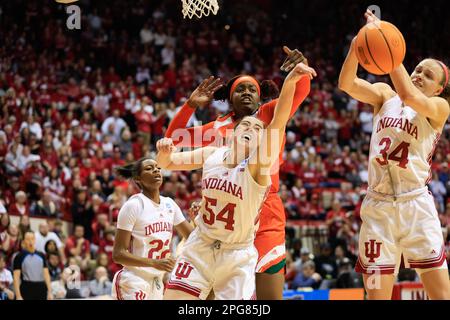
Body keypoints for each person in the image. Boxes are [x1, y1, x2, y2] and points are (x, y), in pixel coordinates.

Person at [157, 61, 317, 300]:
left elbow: (300, 90)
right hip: (226, 207)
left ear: (261, 97)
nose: (246, 93)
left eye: (252, 89)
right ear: (230, 99)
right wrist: (190, 105)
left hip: (264, 210)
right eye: (240, 89)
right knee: (207, 291)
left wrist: (299, 69)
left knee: (268, 296)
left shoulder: (270, 114)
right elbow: (172, 141)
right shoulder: (217, 128)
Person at [338, 10, 450, 300]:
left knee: (440, 295)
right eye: (418, 69)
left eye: (428, 75)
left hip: (415, 206)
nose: (418, 75)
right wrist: (358, 44)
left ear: (439, 89)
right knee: (377, 297)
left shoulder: (438, 108)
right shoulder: (385, 95)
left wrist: (387, 46)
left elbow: (412, 96)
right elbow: (347, 84)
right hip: (378, 208)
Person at [111, 157, 193, 300]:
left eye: (158, 168)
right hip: (134, 280)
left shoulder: (170, 204)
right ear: (138, 179)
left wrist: (196, 220)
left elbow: (193, 238)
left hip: (157, 281)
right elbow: (118, 254)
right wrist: (155, 263)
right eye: (149, 169)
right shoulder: (134, 205)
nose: (156, 170)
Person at [13, 231, 53, 300]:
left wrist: (50, 292)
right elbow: (16, 277)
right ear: (24, 241)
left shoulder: (41, 255)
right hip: (26, 288)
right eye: (28, 239)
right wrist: (18, 295)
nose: (30, 241)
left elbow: (46, 275)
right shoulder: (19, 256)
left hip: (41, 288)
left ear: (35, 240)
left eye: (32, 239)